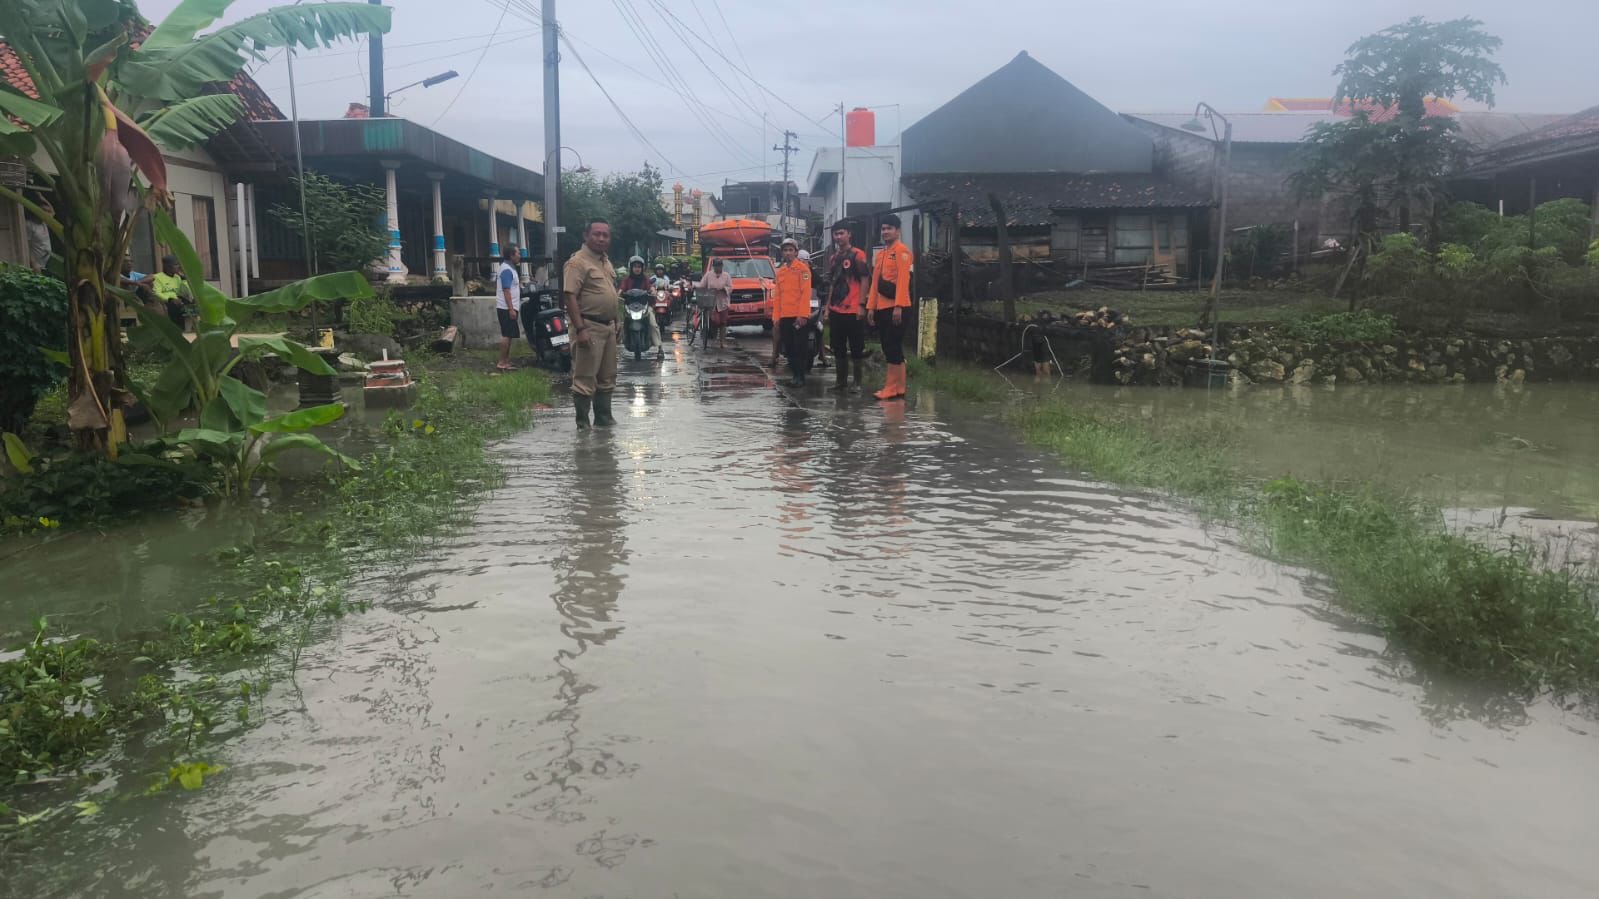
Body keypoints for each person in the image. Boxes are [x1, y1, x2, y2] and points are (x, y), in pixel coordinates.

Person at [564, 219, 621, 429]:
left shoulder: (605, 262)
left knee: (607, 377)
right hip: (588, 327)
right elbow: (570, 297)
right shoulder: (577, 263)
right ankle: (582, 426)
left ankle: (604, 420)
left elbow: (612, 294)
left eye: (605, 235)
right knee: (585, 379)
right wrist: (580, 329)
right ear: (585, 236)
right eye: (597, 234)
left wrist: (617, 321)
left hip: (608, 327)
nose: (601, 238)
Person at [866, 213, 914, 401]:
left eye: (889, 229)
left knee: (893, 346)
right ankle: (898, 387)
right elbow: (875, 283)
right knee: (889, 346)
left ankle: (892, 387)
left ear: (898, 231)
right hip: (882, 307)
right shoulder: (881, 255)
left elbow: (903, 281)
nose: (885, 232)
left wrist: (898, 306)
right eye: (883, 229)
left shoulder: (902, 252)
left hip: (897, 308)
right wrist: (871, 307)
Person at [824, 221, 870, 392]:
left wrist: (861, 304)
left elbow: (865, 279)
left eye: (841, 233)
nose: (838, 237)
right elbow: (832, 283)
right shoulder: (834, 258)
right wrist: (828, 307)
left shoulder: (858, 255)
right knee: (838, 346)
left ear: (849, 234)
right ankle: (840, 381)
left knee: (856, 347)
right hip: (836, 309)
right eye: (836, 234)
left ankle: (857, 383)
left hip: (853, 309)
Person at [773, 237, 814, 387]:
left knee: (800, 347)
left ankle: (800, 376)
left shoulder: (803, 269)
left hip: (799, 316)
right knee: (789, 348)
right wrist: (776, 317)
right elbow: (777, 296)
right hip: (785, 316)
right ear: (782, 253)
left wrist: (803, 315)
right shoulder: (781, 272)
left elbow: (805, 293)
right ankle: (795, 375)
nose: (788, 253)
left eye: (791, 250)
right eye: (785, 250)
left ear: (796, 252)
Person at [616, 255, 664, 360]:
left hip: (645, 306)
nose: (637, 269)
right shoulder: (627, 280)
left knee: (653, 324)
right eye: (635, 266)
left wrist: (653, 292)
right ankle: (616, 347)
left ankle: (660, 348)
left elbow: (651, 288)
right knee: (618, 324)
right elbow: (621, 289)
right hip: (629, 307)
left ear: (642, 268)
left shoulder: (645, 279)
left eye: (639, 266)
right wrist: (617, 295)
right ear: (631, 268)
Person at [695, 256, 733, 350]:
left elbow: (730, 287)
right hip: (711, 301)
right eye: (716, 266)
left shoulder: (726, 276)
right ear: (713, 266)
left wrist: (724, 289)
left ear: (722, 266)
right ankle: (713, 336)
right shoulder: (708, 275)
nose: (718, 268)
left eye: (719, 266)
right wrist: (696, 287)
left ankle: (722, 341)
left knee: (723, 323)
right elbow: (702, 285)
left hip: (723, 302)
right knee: (715, 320)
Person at [495, 245, 522, 372]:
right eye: (518, 253)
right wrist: (511, 309)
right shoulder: (506, 270)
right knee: (506, 334)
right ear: (511, 255)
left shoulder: (509, 268)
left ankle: (505, 361)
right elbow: (506, 290)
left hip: (509, 307)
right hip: (506, 308)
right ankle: (502, 362)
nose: (519, 255)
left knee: (509, 334)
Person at [150, 255, 191, 330]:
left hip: (178, 300)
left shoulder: (177, 277)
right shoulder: (157, 277)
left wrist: (184, 278)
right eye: (175, 264)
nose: (178, 266)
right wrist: (170, 299)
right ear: (167, 266)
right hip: (166, 302)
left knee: (192, 305)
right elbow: (156, 293)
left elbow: (183, 292)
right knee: (174, 307)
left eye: (178, 264)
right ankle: (176, 329)